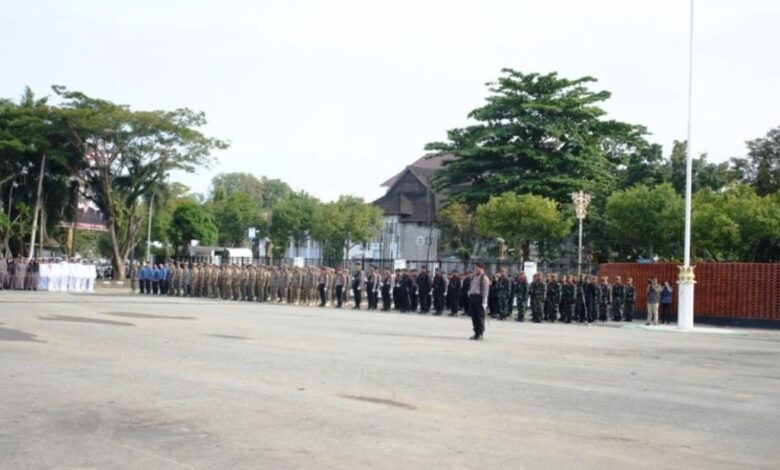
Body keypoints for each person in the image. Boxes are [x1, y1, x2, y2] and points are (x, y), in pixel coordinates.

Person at [467, 262, 490, 340]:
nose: (476, 269)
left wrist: (484, 302)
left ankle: (480, 333)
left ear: (481, 269)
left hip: (479, 298)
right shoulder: (474, 277)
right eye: (475, 267)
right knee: (474, 316)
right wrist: (469, 292)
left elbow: (485, 291)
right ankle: (476, 332)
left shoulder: (484, 278)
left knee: (480, 317)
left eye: (477, 268)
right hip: (473, 298)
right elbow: (471, 286)